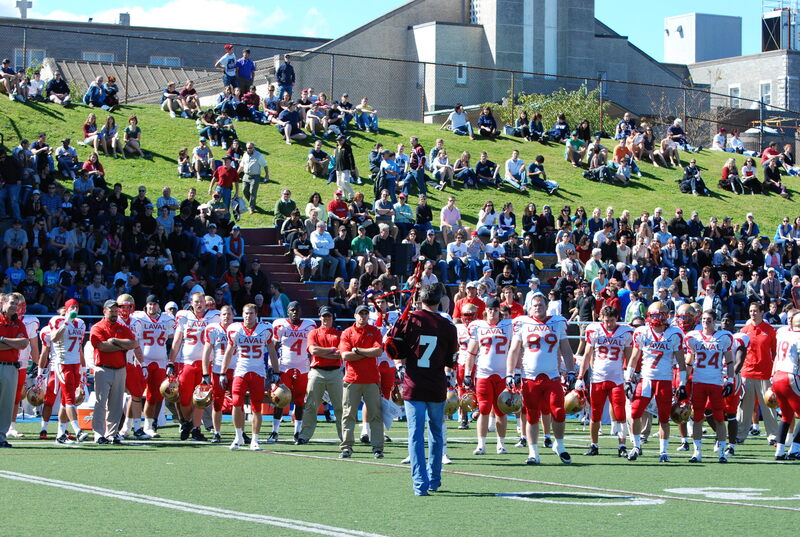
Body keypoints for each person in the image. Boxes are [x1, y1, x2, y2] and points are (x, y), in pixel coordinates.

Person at [387, 283, 458, 495]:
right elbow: (450, 361)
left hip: (414, 384)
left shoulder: (410, 320)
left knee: (415, 435)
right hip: (436, 385)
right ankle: (435, 478)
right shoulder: (448, 326)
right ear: (439, 300)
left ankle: (420, 483)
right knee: (436, 433)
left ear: (421, 299)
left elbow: (395, 351)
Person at [507, 294, 576, 464]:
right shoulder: (522, 323)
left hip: (552, 375)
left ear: (546, 306)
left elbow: (566, 349)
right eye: (534, 305)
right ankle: (533, 452)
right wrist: (510, 373)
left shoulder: (557, 322)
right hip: (529, 376)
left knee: (559, 411)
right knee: (531, 415)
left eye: (540, 305)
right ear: (529, 308)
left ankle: (559, 445)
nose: (538, 308)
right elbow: (514, 350)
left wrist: (571, 370)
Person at [626, 301, 687, 462]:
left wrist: (682, 383)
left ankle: (663, 451)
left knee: (664, 417)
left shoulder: (674, 333)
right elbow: (633, 358)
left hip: (665, 379)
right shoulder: (642, 332)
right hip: (646, 378)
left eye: (659, 315)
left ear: (666, 316)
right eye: (653, 315)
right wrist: (628, 379)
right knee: (635, 412)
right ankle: (636, 446)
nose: (656, 318)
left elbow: (681, 362)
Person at [221, 303, 278, 451]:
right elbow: (228, 352)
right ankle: (238, 436)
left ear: (256, 315)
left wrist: (276, 372)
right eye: (246, 313)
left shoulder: (265, 329)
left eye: (251, 313)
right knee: (236, 402)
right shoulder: (234, 329)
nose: (248, 316)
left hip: (258, 371)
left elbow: (272, 351)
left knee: (256, 407)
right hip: (241, 370)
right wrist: (223, 372)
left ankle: (255, 439)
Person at [578, 305, 633, 457]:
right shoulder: (594, 330)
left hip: (617, 379)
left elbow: (629, 359)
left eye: (612, 321)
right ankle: (594, 445)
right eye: (607, 320)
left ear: (617, 319)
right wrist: (580, 377)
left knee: (620, 413)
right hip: (598, 378)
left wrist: (630, 378)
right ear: (602, 318)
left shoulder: (625, 332)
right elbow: (587, 355)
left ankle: (622, 446)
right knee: (595, 414)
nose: (609, 324)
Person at [167, 292, 220, 442]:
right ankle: (187, 422)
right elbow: (177, 341)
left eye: (201, 301)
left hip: (206, 363)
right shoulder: (184, 316)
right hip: (187, 362)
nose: (199, 304)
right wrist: (171, 362)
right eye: (196, 302)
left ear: (206, 302)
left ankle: (195, 428)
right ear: (191, 303)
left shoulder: (214, 316)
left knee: (200, 398)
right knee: (184, 398)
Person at [683, 309, 735, 463]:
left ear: (715, 321)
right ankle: (697, 452)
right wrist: (682, 382)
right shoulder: (694, 337)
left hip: (716, 382)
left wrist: (730, 380)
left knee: (719, 418)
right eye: (704, 319)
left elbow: (730, 361)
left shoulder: (723, 337)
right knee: (697, 417)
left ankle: (721, 453)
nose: (706, 322)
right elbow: (689, 362)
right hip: (699, 381)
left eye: (709, 320)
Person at [465, 298, 512, 455]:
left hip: (503, 374)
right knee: (484, 408)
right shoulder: (479, 326)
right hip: (484, 373)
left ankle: (501, 443)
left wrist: (515, 371)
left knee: (501, 410)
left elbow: (516, 350)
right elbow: (471, 353)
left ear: (500, 311)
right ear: (486, 311)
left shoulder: (509, 326)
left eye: (496, 310)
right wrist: (467, 373)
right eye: (490, 310)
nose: (493, 312)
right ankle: (481, 444)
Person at [338, 305, 385, 459]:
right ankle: (346, 447)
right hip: (352, 379)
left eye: (365, 314)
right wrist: (367, 353)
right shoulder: (347, 332)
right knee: (348, 414)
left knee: (375, 415)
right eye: (360, 314)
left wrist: (358, 351)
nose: (363, 317)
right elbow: (345, 356)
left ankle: (377, 447)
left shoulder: (375, 331)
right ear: (355, 315)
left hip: (371, 379)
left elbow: (378, 351)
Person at [89, 299, 138, 444]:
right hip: (103, 368)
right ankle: (98, 433)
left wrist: (115, 341)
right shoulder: (98, 327)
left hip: (120, 369)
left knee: (116, 404)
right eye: (112, 311)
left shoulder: (121, 327)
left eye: (116, 311)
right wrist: (123, 345)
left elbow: (133, 343)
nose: (115, 314)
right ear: (104, 311)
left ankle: (112, 433)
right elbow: (102, 347)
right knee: (100, 403)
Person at [297, 306, 344, 444]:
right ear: (320, 317)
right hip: (317, 371)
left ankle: (345, 437)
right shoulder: (313, 333)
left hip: (335, 372)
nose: (326, 318)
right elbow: (313, 350)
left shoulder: (339, 334)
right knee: (310, 405)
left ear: (332, 317)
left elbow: (340, 353)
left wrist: (323, 352)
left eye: (328, 316)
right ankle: (304, 435)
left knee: (340, 406)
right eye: (324, 316)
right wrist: (331, 350)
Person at [134, 295, 175, 439]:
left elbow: (172, 339)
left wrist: (171, 361)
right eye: (150, 304)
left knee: (155, 396)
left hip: (160, 362)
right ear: (146, 305)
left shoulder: (167, 319)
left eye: (154, 304)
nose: (152, 307)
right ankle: (129, 426)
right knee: (136, 394)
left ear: (159, 306)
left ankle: (149, 425)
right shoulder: (138, 317)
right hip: (142, 361)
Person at [736, 302, 778, 444]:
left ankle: (773, 435)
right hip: (747, 373)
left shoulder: (770, 330)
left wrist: (774, 373)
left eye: (755, 311)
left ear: (761, 312)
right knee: (744, 407)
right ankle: (740, 435)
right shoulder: (744, 330)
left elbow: (775, 352)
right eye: (750, 311)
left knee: (769, 407)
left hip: (765, 374)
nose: (753, 313)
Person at [0, 293, 29, 448]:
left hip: (11, 367)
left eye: (16, 305)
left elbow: (24, 343)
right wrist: (14, 343)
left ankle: (1, 437)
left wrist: (3, 340)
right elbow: (18, 343)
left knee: (7, 405)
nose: (14, 307)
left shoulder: (19, 323)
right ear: (3, 303)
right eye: (11, 303)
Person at [771, 312, 800, 460]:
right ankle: (795, 449)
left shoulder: (783, 333)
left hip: (777, 375)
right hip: (791, 376)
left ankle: (780, 450)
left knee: (786, 416)